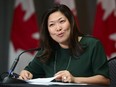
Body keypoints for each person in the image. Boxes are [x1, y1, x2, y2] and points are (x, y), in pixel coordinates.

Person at [19, 4, 110, 85]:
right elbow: (29, 71)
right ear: (48, 31)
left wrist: (75, 79)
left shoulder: (93, 45)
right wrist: (26, 73)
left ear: (71, 22)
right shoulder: (47, 50)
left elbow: (105, 80)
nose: (58, 28)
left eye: (62, 21)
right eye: (52, 25)